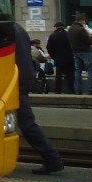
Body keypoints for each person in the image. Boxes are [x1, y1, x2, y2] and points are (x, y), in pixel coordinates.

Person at [14, 23, 64, 174]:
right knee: (25, 122)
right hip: (24, 75)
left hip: (14, 79)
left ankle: (52, 159)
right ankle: (52, 159)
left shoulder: (2, 28)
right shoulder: (17, 28)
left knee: (26, 123)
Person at [67, 14, 92, 95]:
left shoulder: (70, 29)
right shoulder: (81, 29)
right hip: (85, 51)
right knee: (90, 70)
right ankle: (91, 90)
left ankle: (78, 90)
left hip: (75, 51)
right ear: (82, 20)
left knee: (77, 71)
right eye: (84, 20)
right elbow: (88, 41)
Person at [45, 21, 73, 95]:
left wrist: (53, 56)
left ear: (56, 27)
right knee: (69, 74)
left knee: (58, 75)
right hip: (69, 58)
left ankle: (57, 90)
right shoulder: (68, 35)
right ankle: (70, 89)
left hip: (58, 58)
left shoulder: (53, 36)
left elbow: (48, 47)